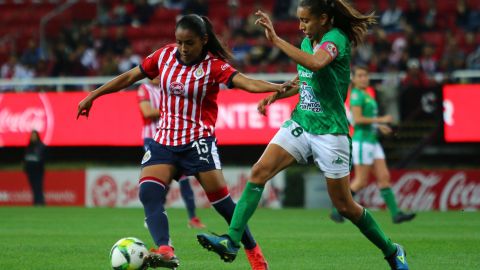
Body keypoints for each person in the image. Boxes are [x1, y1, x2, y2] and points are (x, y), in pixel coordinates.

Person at [196, 1, 410, 269]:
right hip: (301, 123)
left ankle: (392, 251)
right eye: (299, 20)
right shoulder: (308, 41)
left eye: (306, 21)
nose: (301, 26)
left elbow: (316, 64)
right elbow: (305, 79)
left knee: (345, 206)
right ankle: (232, 241)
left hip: (330, 131)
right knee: (258, 172)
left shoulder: (336, 39)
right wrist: (275, 95)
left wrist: (276, 40)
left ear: (324, 18)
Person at [78, 14, 283, 270]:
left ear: (203, 40)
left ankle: (255, 255)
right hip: (164, 140)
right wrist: (93, 95)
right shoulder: (164, 56)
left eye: (189, 43)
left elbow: (247, 83)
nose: (183, 49)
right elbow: (130, 76)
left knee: (223, 205)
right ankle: (165, 250)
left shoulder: (213, 66)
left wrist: (279, 87)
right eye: (179, 42)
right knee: (148, 193)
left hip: (198, 142)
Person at [329, 66, 416, 224]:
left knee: (384, 177)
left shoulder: (366, 94)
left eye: (365, 75)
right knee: (361, 181)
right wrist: (380, 120)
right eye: (360, 76)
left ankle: (396, 214)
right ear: (354, 80)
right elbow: (358, 120)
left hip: (372, 140)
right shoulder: (356, 95)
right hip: (362, 141)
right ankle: (337, 209)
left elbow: (365, 120)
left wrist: (378, 127)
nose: (364, 78)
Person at [137, 78, 206, 229]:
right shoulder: (145, 88)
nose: (157, 76)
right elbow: (147, 112)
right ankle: (154, 214)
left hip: (172, 139)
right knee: (160, 179)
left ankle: (192, 218)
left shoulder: (167, 88)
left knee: (184, 178)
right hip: (152, 139)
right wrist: (172, 110)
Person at [23, 130, 46, 206]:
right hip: (30, 170)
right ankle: (36, 202)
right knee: (33, 187)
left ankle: (40, 202)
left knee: (38, 186)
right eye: (32, 135)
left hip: (38, 171)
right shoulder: (29, 146)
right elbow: (25, 158)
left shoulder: (41, 146)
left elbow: (43, 158)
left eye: (34, 135)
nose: (33, 137)